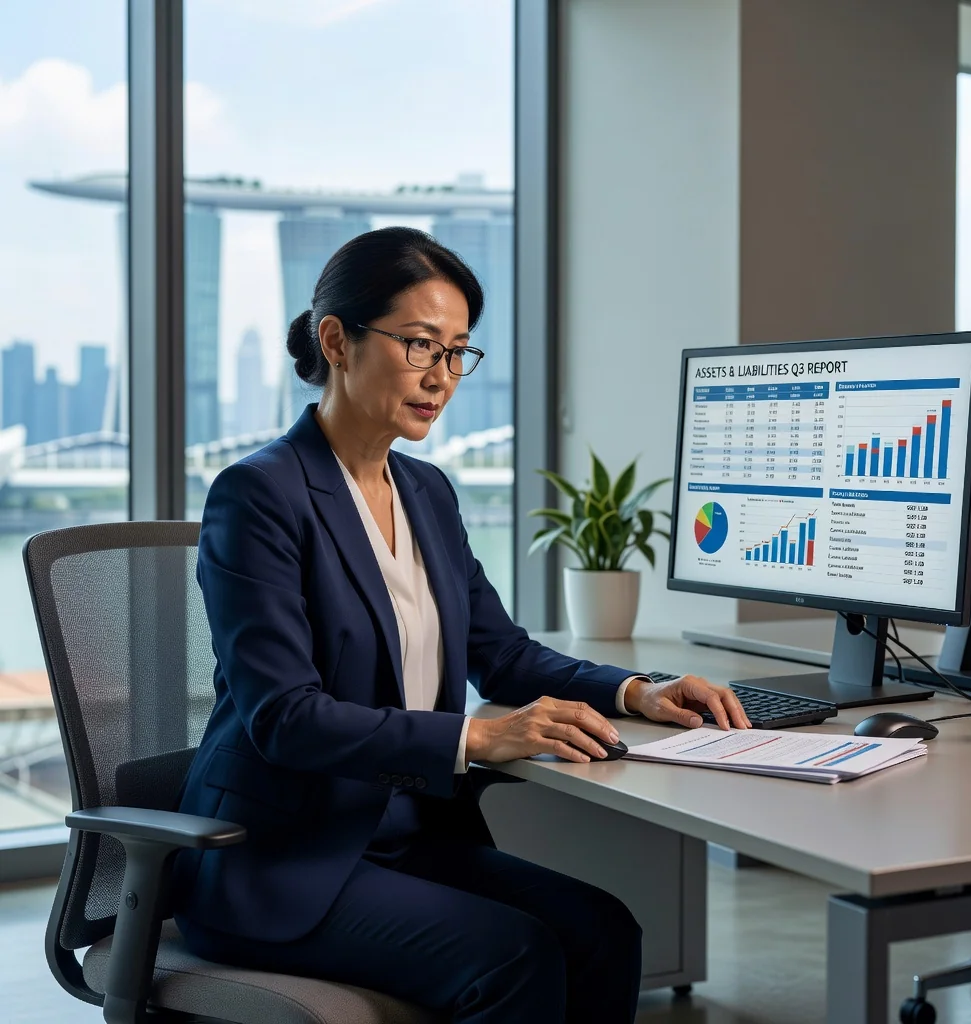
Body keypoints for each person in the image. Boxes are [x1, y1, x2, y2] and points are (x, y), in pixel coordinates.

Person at [171, 226, 750, 1023]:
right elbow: (283, 718)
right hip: (282, 860)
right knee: (516, 957)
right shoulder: (259, 495)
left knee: (604, 931)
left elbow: (500, 655)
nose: (441, 378)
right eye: (419, 346)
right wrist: (474, 739)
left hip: (410, 841)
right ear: (336, 341)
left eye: (457, 353)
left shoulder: (429, 494)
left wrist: (636, 692)